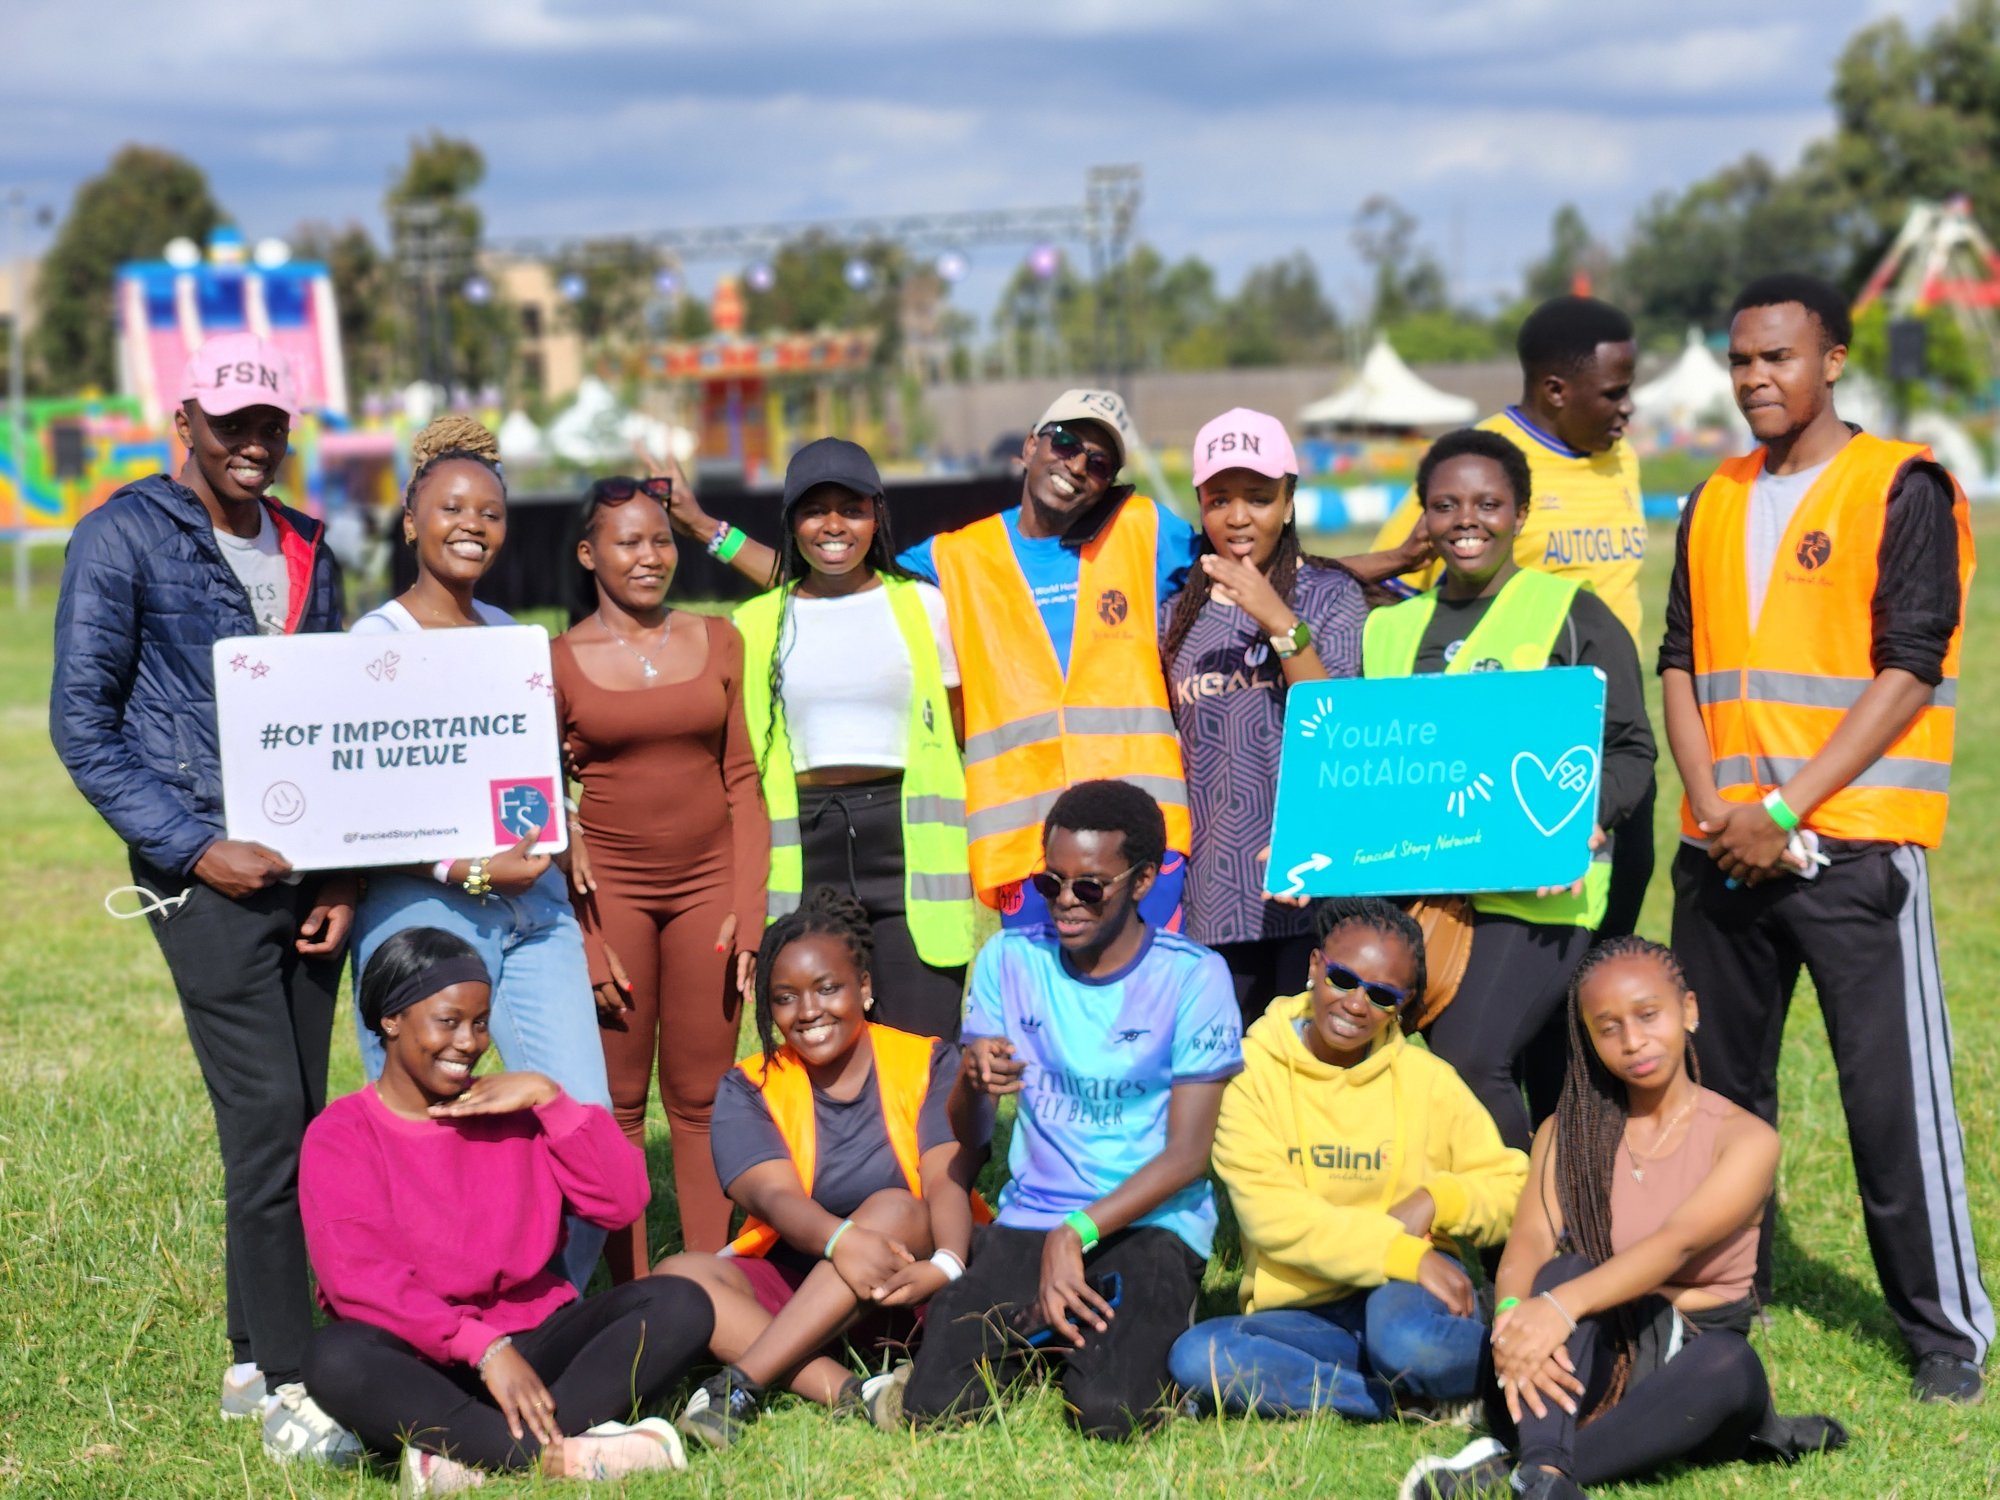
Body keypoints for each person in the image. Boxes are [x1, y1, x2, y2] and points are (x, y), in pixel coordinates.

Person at [1660, 273, 1989, 1403]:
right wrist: (1712, 807)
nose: (1756, 379)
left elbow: (1910, 667)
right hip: (1720, 852)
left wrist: (1785, 810)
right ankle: (1719, 1291)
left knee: (1890, 1106)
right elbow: (1679, 663)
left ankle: (1944, 1331)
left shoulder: (1896, 485)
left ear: (1832, 361)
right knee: (1711, 1094)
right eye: (1740, 361)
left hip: (1846, 849)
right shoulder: (1709, 495)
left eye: (1778, 359)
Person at [50, 333, 358, 1458]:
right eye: (231, 426)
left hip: (305, 879)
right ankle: (290, 1375)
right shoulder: (121, 536)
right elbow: (82, 724)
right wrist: (192, 847)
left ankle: (250, 1347)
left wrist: (338, 878)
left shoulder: (311, 544)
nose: (253, 446)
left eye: (271, 425)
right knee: (268, 1116)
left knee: (309, 1119)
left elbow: (332, 723)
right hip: (206, 880)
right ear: (184, 422)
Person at [660, 392, 1199, 930]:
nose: (1077, 465)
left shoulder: (1147, 530)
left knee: (1154, 999)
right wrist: (709, 531)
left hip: (1143, 835)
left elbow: (1233, 564)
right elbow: (831, 581)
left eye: (1099, 462)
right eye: (1064, 443)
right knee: (1046, 1007)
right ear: (1031, 446)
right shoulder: (954, 559)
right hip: (1024, 845)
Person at [1401, 937, 1847, 1500]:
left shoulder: (1745, 1140)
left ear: (1688, 1010)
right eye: (1607, 1028)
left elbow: (1676, 1245)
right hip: (1589, 1358)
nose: (1632, 1041)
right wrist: (1515, 1318)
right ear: (1587, 1036)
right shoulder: (1567, 1130)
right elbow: (1531, 1241)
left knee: (1730, 1362)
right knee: (1564, 1271)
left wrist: (1557, 1309)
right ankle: (1544, 1475)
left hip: (1695, 1371)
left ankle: (1526, 1471)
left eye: (1647, 1015)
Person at [884, 780, 1244, 1440]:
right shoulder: (1008, 959)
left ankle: (1109, 1323)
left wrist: (1073, 1233)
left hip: (1150, 1222)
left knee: (1109, 1415)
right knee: (932, 1408)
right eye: (1052, 884)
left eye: (1090, 886)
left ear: (1140, 882)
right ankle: (1057, 1324)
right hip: (1033, 1215)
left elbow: (1189, 1157)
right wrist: (971, 1081)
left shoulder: (1194, 977)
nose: (1065, 904)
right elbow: (967, 1133)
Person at [299, 927, 715, 1491]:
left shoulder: (515, 1111)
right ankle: (560, 1454)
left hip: (538, 1344)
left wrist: (552, 1099)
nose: (469, 1043)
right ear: (390, 1020)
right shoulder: (342, 1133)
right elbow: (359, 1281)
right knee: (336, 1359)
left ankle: (458, 1452)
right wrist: (482, 1348)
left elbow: (623, 1203)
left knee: (682, 1303)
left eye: (479, 1021)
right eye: (448, 1021)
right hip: (421, 1359)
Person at [348, 416, 614, 1289]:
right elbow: (366, 804)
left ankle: (557, 1316)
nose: (473, 525)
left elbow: (526, 780)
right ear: (411, 520)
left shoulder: (511, 636)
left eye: (491, 513)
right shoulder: (374, 647)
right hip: (423, 912)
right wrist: (466, 868)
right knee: (423, 1130)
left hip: (533, 913)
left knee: (581, 1118)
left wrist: (552, 829)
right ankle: (431, 1326)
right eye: (451, 508)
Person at [1363, 429, 1655, 1154]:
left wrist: (1590, 812)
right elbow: (1366, 762)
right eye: (1445, 505)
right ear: (1422, 518)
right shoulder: (1388, 630)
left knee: (1469, 1061)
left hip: (1537, 892)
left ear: (1520, 513)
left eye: (1489, 503)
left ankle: (1518, 1249)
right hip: (1423, 892)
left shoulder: (1574, 614)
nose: (1468, 520)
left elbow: (1630, 748)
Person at [650, 886, 986, 1450]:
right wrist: (840, 1241)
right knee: (679, 1277)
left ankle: (742, 1383)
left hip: (915, 1282)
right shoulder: (749, 1085)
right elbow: (774, 1199)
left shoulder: (928, 1060)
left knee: (897, 1207)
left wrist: (947, 1264)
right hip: (805, 1282)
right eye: (786, 997)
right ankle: (859, 1393)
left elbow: (946, 1177)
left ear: (866, 988)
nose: (808, 1011)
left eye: (828, 988)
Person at [1169, 898, 1525, 1420]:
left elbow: (1514, 1185)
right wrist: (1400, 1251)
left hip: (1405, 1294)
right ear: (1314, 966)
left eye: (1382, 995)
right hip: (1304, 1305)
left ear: (1400, 1006)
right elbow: (1274, 1219)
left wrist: (1438, 1199)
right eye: (1342, 978)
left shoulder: (1427, 1080)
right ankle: (1402, 1397)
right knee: (1200, 1357)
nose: (1357, 1004)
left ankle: (1536, 1360)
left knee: (1406, 1340)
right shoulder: (1250, 1076)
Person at [1370, 297, 1653, 941]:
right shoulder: (1482, 469)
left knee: (1610, 929)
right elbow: (1392, 586)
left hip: (1616, 740)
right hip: (1518, 755)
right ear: (1556, 389)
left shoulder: (1622, 457)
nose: (1627, 408)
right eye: (1613, 393)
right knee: (1524, 939)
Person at [552, 470, 769, 1268]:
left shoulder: (719, 640)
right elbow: (543, 810)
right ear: (589, 554)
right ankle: (636, 1286)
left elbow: (743, 781)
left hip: (708, 892)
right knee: (616, 1107)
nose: (650, 557)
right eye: (627, 542)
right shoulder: (556, 662)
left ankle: (711, 1283)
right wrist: (583, 936)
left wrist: (749, 909)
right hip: (613, 900)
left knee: (703, 1099)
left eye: (660, 539)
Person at [733, 437, 974, 1040]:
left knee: (922, 1052)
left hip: (909, 851)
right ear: (791, 523)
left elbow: (959, 725)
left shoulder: (923, 607)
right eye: (815, 509)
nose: (834, 525)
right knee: (816, 1047)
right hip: (803, 850)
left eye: (852, 507)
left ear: (877, 516)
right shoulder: (755, 621)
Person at [1160, 408, 1366, 1023]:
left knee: (1311, 1073)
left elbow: (1339, 729)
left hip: (1310, 880)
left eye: (1258, 497)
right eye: (1220, 498)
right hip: (1211, 889)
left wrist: (1277, 619)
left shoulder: (1332, 596)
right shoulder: (1172, 615)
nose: (1239, 516)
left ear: (1289, 501)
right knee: (1224, 1073)